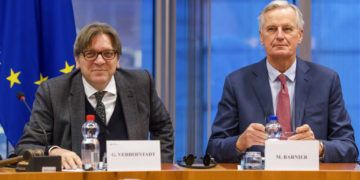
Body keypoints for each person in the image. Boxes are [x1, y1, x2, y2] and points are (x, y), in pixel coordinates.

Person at [206, 0, 358, 163]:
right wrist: (239, 143)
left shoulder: (326, 81)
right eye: (271, 29)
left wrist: (318, 147)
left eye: (287, 29)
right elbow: (213, 148)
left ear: (300, 35)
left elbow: (348, 147)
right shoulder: (237, 82)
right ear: (261, 37)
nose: (279, 36)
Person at [15, 22, 174, 169]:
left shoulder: (140, 83)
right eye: (90, 54)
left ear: (117, 58)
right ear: (77, 60)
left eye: (107, 53)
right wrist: (53, 151)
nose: (99, 61)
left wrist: (161, 168)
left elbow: (163, 127)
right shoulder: (53, 91)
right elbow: (27, 146)